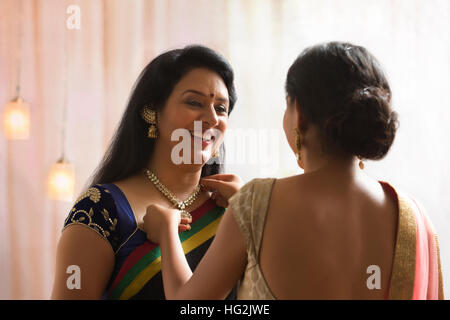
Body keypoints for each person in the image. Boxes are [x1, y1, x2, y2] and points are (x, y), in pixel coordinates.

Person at [143, 42, 445, 300]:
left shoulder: (256, 203)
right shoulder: (416, 219)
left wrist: (168, 230)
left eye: (221, 108)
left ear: (298, 113)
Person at [51, 45, 242, 299]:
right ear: (152, 112)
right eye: (194, 102)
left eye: (221, 108)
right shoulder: (101, 209)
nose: (211, 118)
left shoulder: (232, 208)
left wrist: (253, 214)